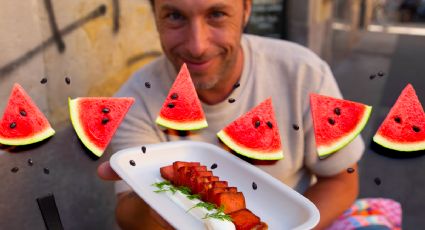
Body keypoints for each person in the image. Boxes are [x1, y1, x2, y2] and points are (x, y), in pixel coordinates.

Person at [97, 0, 364, 229]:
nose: (197, 46)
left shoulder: (305, 73)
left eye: (216, 14)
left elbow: (342, 179)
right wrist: (152, 196)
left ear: (246, 9)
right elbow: (128, 217)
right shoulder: (135, 99)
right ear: (156, 19)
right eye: (175, 16)